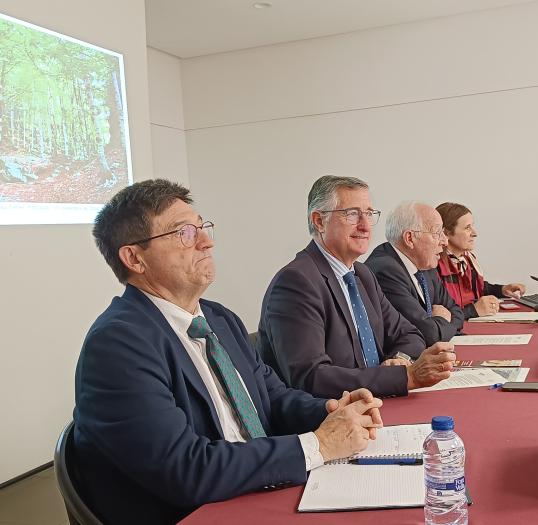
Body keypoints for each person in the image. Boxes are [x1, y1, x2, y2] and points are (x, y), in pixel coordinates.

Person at [73, 179, 384, 525]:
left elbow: (273, 399)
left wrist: (329, 410)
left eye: (203, 227)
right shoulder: (118, 345)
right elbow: (187, 471)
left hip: (257, 486)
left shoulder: (219, 318)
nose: (207, 241)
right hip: (200, 511)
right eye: (184, 233)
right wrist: (318, 445)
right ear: (134, 257)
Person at [258, 176, 456, 399]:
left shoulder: (362, 274)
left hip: (374, 403)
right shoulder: (296, 282)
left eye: (369, 214)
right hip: (328, 418)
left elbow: (409, 334)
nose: (364, 226)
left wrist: (400, 359)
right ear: (319, 221)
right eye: (352, 214)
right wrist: (405, 376)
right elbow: (311, 377)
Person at [365, 202, 464, 346]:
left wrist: (439, 323)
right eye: (437, 233)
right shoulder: (386, 271)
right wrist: (443, 319)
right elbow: (428, 334)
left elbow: (456, 312)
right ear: (410, 238)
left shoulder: (425, 264)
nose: (444, 241)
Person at [435, 202, 525, 320]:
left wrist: (502, 289)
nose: (475, 233)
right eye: (467, 228)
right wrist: (473, 310)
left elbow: (476, 288)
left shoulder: (466, 260)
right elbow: (441, 315)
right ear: (446, 233)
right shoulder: (434, 266)